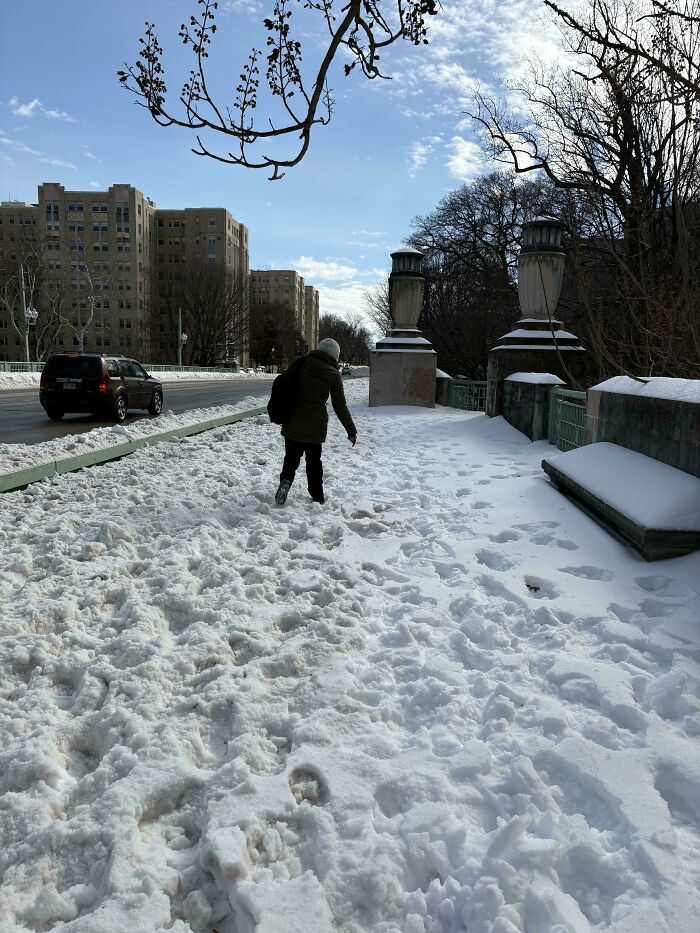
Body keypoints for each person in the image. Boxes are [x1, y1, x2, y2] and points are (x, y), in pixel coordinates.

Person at [275, 338, 357, 506]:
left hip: (293, 420)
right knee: (314, 462)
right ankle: (317, 496)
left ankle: (285, 482)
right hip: (315, 425)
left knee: (291, 458)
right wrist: (351, 430)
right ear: (334, 356)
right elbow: (340, 406)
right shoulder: (332, 374)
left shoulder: (301, 363)